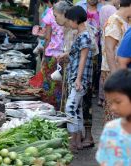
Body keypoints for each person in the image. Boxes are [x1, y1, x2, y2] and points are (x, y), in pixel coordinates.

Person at [63, 6, 94, 153]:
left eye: (69, 20)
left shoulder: (84, 36)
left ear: (75, 20)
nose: (68, 23)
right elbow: (78, 54)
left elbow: (83, 59)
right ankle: (77, 142)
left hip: (79, 78)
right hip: (76, 77)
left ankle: (72, 141)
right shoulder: (81, 35)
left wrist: (78, 79)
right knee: (78, 109)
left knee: (70, 108)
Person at [102, 0, 131, 123]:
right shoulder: (114, 20)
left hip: (121, 70)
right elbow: (109, 49)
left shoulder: (126, 20)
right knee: (114, 109)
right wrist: (115, 75)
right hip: (112, 70)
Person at [96, 69, 131, 165]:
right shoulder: (111, 129)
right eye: (111, 103)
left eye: (118, 102)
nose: (113, 108)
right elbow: (104, 161)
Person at [41, 0, 64, 111]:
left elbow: (47, 37)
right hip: (63, 55)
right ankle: (59, 108)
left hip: (51, 54)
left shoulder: (51, 13)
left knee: (48, 82)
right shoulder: (66, 11)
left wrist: (43, 55)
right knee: (59, 83)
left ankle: (48, 108)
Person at [98, 0, 118, 107]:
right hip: (112, 41)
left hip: (104, 40)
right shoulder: (113, 10)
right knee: (108, 69)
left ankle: (101, 97)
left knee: (103, 70)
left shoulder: (102, 8)